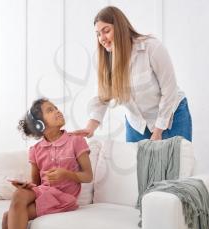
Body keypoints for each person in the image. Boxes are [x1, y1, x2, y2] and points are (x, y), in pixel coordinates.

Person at [73, 6, 192, 142]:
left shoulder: (151, 47)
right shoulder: (107, 62)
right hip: (137, 125)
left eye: (106, 31)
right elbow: (101, 98)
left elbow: (169, 90)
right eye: (98, 34)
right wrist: (89, 128)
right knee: (136, 163)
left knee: (175, 162)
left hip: (172, 116)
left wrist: (158, 131)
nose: (102, 38)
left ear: (120, 28)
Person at [2, 98, 93, 229]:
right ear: (39, 125)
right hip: (44, 192)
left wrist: (66, 174)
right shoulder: (36, 150)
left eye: (56, 108)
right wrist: (27, 186)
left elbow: (88, 176)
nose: (57, 111)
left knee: (8, 217)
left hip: (63, 198)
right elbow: (37, 184)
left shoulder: (76, 141)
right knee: (16, 199)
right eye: (50, 110)